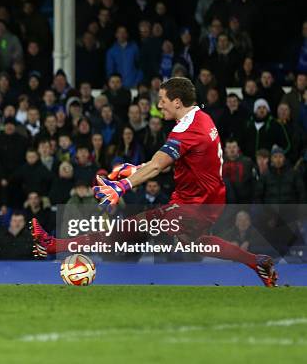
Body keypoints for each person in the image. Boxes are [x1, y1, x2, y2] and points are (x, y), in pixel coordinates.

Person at [31, 77, 278, 287]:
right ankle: (258, 262)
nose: (159, 106)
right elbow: (167, 162)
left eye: (162, 100)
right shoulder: (202, 118)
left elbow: (159, 165)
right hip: (208, 200)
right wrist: (137, 169)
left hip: (193, 204)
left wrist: (122, 187)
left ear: (177, 102)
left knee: (124, 231)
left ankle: (52, 245)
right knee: (197, 242)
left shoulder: (186, 130)